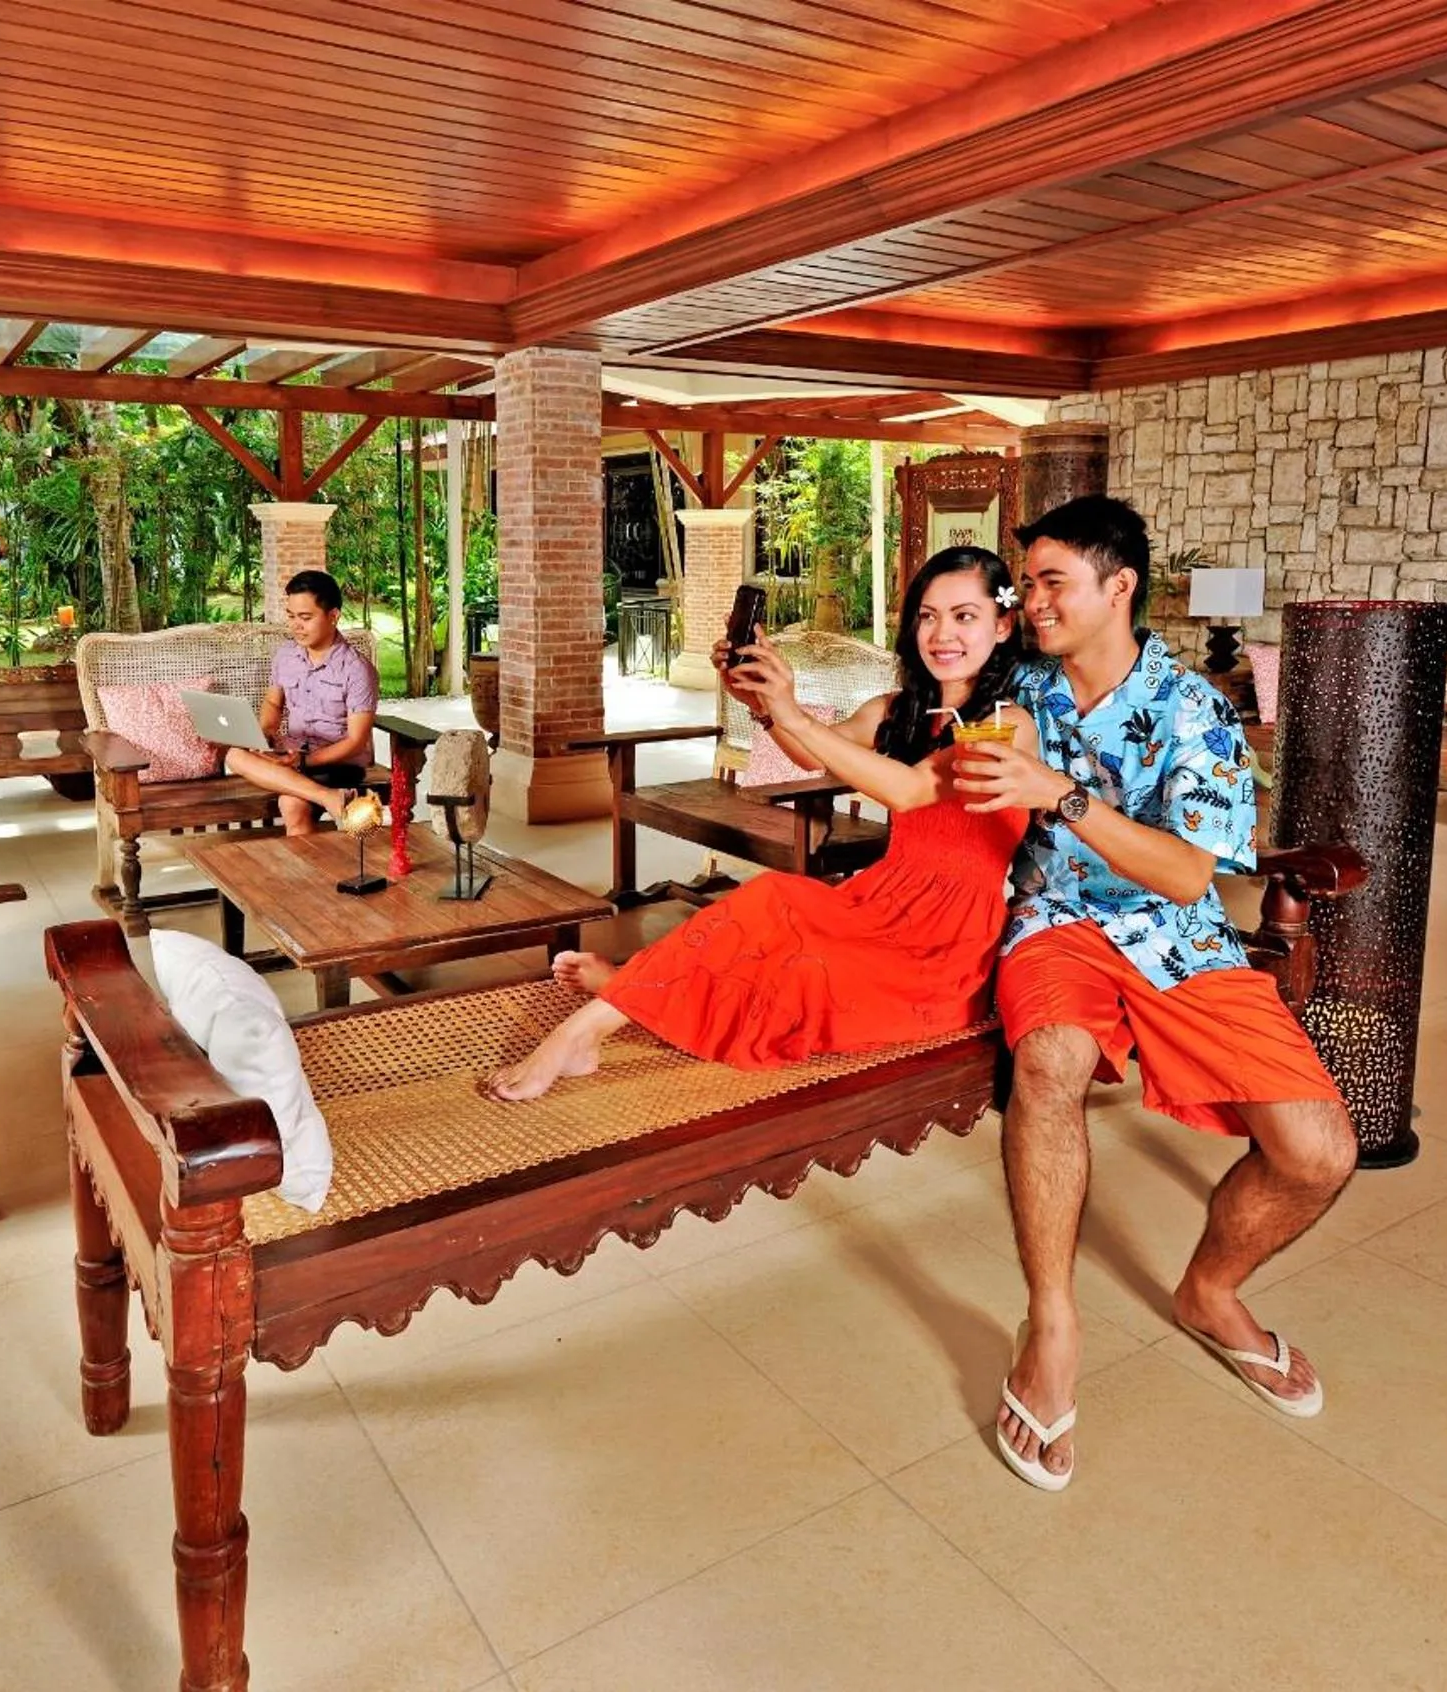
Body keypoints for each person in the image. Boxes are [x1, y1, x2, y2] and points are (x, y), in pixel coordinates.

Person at [952, 495, 1357, 1493]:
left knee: (1319, 1152)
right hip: (1056, 927)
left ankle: (1212, 1292)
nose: (1031, 600)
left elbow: (1188, 876)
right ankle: (1050, 1325)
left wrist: (1063, 795)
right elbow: (934, 678)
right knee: (1047, 1061)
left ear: (1118, 586)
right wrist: (785, 712)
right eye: (1027, 583)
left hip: (1179, 939)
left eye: (1053, 582)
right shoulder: (1020, 688)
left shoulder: (1192, 707)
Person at [485, 546, 1036, 1101]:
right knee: (772, 903)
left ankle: (601, 1014)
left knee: (796, 967)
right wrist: (762, 702)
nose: (943, 634)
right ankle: (611, 1012)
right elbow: (809, 756)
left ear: (1004, 624)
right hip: (878, 900)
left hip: (944, 944)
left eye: (965, 616)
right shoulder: (896, 709)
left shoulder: (1007, 724)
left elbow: (910, 790)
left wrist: (792, 708)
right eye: (928, 615)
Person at [225, 569, 379, 836]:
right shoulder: (286, 656)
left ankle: (306, 875)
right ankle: (330, 798)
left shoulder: (357, 669)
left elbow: (356, 741)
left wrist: (304, 762)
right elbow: (273, 704)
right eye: (291, 616)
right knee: (235, 755)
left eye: (306, 618)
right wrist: (265, 735)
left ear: (333, 616)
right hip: (292, 756)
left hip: (338, 765)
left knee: (291, 803)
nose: (296, 625)